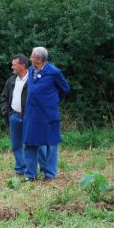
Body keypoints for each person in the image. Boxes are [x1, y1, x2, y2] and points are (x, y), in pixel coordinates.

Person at [23, 47, 70, 181]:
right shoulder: (31, 70)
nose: (30, 59)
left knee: (51, 143)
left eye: (32, 57)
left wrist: (53, 101)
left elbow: (65, 89)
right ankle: (30, 174)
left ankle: (50, 174)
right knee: (30, 143)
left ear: (40, 59)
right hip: (32, 114)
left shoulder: (54, 72)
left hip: (48, 114)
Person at [0, 54, 29, 176]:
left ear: (22, 65)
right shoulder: (11, 80)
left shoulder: (33, 80)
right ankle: (20, 169)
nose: (12, 67)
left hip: (29, 118)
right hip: (14, 116)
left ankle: (42, 168)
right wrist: (7, 113)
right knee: (16, 145)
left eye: (14, 64)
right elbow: (4, 97)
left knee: (34, 144)